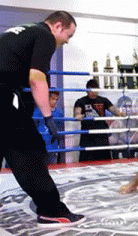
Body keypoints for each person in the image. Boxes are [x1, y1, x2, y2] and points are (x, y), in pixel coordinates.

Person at [0, 11, 85, 227]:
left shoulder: (22, 30)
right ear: (57, 26)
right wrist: (48, 117)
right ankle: (50, 210)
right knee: (30, 149)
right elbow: (37, 78)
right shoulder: (44, 35)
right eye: (69, 35)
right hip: (2, 93)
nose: (66, 41)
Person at [74, 79, 124, 162]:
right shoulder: (81, 101)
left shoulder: (103, 100)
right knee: (86, 163)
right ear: (87, 90)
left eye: (95, 90)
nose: (93, 92)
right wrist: (81, 115)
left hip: (101, 136)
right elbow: (77, 114)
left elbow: (114, 110)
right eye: (91, 90)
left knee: (105, 162)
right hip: (88, 137)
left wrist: (120, 113)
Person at [33, 90, 64, 165]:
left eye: (56, 99)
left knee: (52, 168)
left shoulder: (58, 112)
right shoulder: (38, 110)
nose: (55, 101)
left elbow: (59, 129)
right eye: (53, 99)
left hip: (53, 145)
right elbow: (34, 126)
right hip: (40, 145)